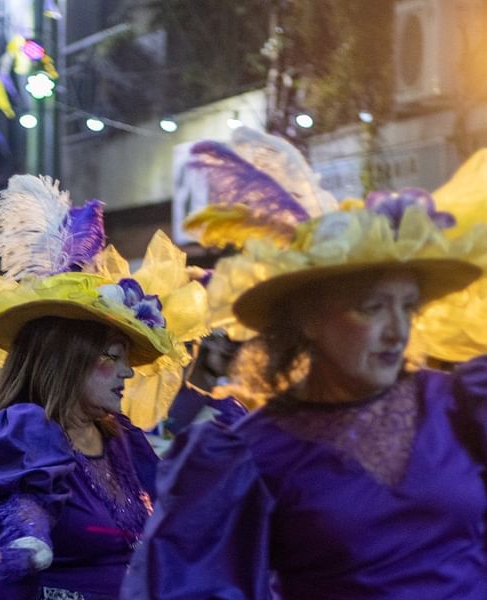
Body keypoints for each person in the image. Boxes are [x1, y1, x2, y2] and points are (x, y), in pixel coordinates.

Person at [123, 183, 487, 597]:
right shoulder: (248, 455)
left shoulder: (460, 407)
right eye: (373, 308)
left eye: (407, 306)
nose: (398, 330)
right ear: (310, 319)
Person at [0, 175, 209, 599]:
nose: (128, 374)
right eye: (111, 357)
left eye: (127, 359)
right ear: (65, 360)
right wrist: (28, 536)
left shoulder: (120, 437)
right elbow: (24, 502)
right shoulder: (26, 433)